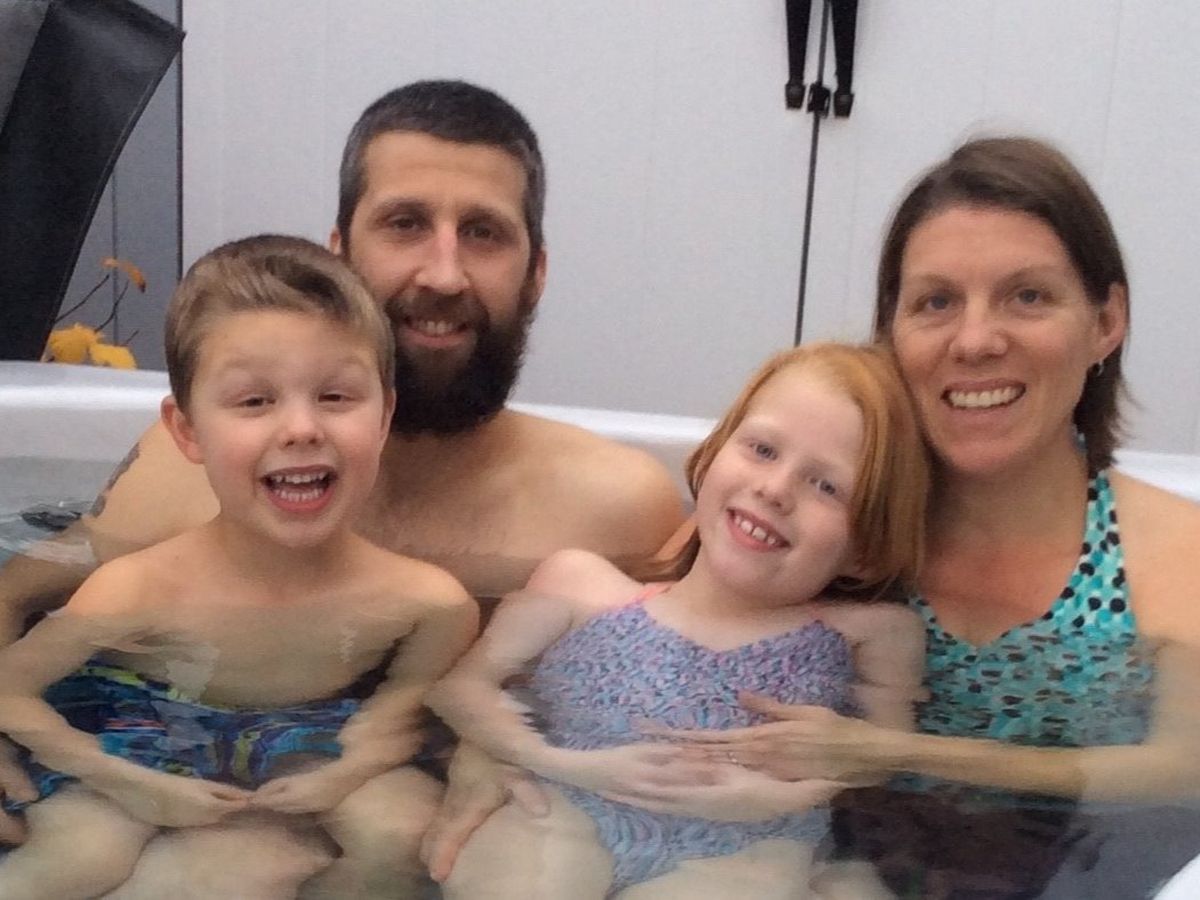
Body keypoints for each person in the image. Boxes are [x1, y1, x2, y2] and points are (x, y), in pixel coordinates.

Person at [0, 79, 686, 887]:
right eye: (405, 223)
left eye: (483, 233)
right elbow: (15, 595)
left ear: (534, 273)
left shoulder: (614, 507)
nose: (444, 273)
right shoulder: (175, 472)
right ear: (340, 252)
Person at [669, 137, 1200, 897]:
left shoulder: (1179, 558)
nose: (975, 341)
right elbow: (645, 628)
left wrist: (897, 754)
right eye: (936, 302)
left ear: (1105, 321)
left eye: (1028, 296)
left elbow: (1184, 775)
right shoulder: (823, 518)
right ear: (892, 333)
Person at [0, 235, 478, 900]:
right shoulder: (137, 589)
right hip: (138, 724)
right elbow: (9, 690)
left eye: (336, 396)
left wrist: (349, 770)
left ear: (384, 415)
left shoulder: (426, 604)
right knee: (81, 858)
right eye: (254, 401)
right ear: (187, 431)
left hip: (309, 729)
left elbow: (400, 710)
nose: (302, 428)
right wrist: (124, 780)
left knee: (405, 836)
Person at [426, 342, 930, 899]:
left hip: (749, 844)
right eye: (762, 449)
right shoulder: (582, 588)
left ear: (867, 551)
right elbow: (461, 689)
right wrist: (554, 762)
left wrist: (784, 798)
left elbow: (883, 758)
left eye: (827, 486)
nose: (774, 489)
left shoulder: (867, 635)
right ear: (712, 455)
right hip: (570, 803)